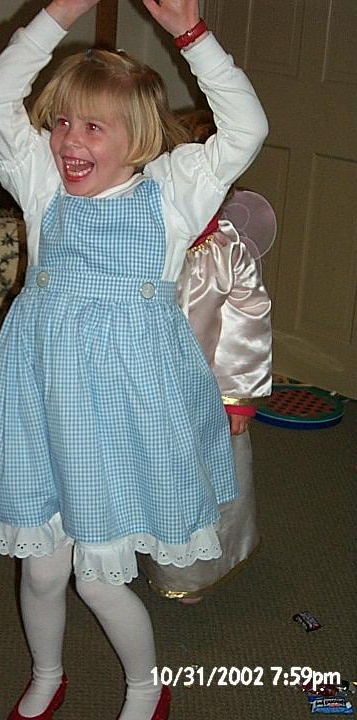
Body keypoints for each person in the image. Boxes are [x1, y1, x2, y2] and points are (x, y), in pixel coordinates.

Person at [0, 1, 268, 718]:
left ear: (137, 139)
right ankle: (47, 673)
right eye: (61, 122)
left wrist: (192, 36)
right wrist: (58, 13)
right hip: (42, 406)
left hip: (123, 416)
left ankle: (145, 687)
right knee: (42, 571)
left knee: (98, 580)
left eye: (93, 127)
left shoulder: (173, 192)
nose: (68, 141)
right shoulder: (41, 184)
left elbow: (247, 127)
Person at [139, 109, 274, 605]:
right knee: (132, 475)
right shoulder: (142, 240)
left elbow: (248, 318)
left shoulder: (226, 251)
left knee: (195, 483)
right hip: (136, 387)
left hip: (203, 398)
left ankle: (188, 572)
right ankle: (117, 550)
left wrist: (237, 395)